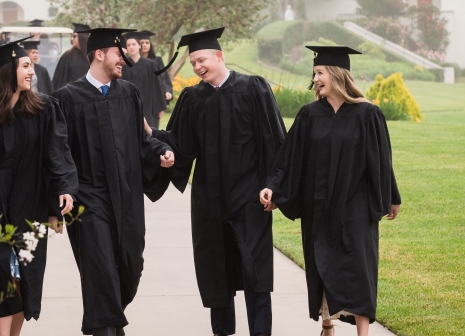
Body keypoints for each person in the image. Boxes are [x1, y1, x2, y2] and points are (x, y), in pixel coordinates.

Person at [144, 28, 286, 336]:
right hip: (209, 201)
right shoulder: (193, 97)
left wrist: (274, 186)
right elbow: (182, 146)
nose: (197, 67)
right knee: (216, 272)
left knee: (255, 273)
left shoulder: (253, 89)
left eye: (201, 60)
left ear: (219, 56)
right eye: (193, 62)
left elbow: (275, 142)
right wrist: (154, 136)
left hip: (250, 199)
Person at [259, 46, 402, 336]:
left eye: (320, 73)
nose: (316, 79)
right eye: (314, 74)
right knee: (321, 261)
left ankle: (363, 332)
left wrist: (392, 197)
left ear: (337, 75)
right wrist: (274, 188)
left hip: (355, 204)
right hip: (319, 203)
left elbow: (381, 159)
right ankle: (327, 324)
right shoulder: (309, 114)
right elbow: (290, 158)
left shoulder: (368, 113)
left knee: (359, 267)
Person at [51, 27, 175, 336]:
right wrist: (64, 188)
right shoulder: (67, 98)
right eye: (119, 55)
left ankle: (107, 321)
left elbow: (142, 139)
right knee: (100, 270)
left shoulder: (128, 93)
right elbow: (58, 150)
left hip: (127, 196)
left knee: (130, 269)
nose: (125, 60)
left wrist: (161, 151)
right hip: (88, 199)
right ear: (99, 54)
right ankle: (106, 330)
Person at [0, 36, 78, 336]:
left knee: (25, 276)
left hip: (32, 206)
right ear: (6, 70)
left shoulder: (43, 109)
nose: (31, 71)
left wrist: (64, 189)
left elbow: (58, 154)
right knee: (0, 274)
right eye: (25, 65)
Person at [122, 31, 166, 128]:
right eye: (128, 45)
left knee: (149, 136)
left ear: (139, 46)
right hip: (129, 107)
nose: (131, 47)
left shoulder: (150, 64)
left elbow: (156, 86)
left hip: (148, 108)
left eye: (134, 44)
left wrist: (159, 108)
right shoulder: (123, 65)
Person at [138, 30, 173, 105]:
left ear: (150, 45)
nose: (144, 45)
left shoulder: (157, 61)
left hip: (155, 98)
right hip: (139, 97)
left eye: (147, 43)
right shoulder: (133, 62)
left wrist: (167, 91)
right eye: (142, 43)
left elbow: (164, 77)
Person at [52, 23, 91, 90]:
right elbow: (58, 79)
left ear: (82, 37)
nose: (71, 38)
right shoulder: (67, 56)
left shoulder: (91, 56)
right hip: (71, 94)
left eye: (74, 36)